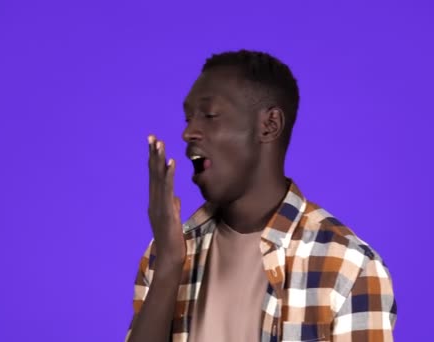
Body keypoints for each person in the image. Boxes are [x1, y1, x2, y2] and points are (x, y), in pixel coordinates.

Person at [125, 50, 397, 342]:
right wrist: (168, 263)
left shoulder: (349, 265)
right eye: (188, 119)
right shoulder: (165, 251)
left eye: (210, 115)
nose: (188, 132)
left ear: (269, 125)